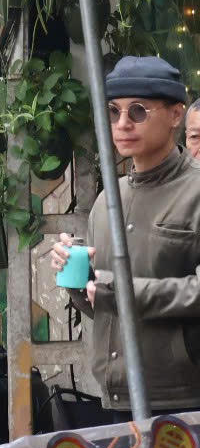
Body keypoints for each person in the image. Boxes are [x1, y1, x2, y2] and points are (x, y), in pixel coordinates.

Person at [49, 55, 200, 420]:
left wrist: (115, 289)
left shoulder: (195, 191)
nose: (122, 124)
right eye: (114, 112)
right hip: (116, 398)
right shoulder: (107, 201)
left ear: (175, 115)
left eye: (138, 111)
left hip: (184, 401)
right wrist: (76, 278)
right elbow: (99, 305)